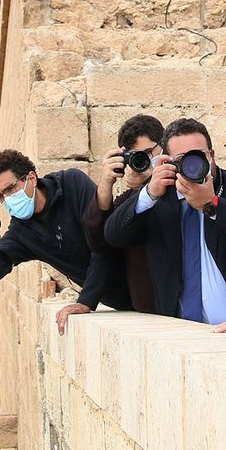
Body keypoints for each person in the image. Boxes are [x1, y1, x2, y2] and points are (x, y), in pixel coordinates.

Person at [104, 117, 226, 325]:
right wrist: (149, 193)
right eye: (182, 159)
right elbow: (113, 234)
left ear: (212, 156)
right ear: (168, 162)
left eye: (199, 156)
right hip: (182, 333)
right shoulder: (160, 198)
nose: (193, 165)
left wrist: (212, 204)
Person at [0, 149, 130, 334]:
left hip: (142, 275)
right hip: (122, 302)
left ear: (31, 178)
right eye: (0, 197)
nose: (8, 199)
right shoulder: (21, 231)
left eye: (10, 189)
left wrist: (85, 301)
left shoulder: (71, 184)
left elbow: (104, 243)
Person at [82, 113, 163, 313]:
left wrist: (149, 183)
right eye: (137, 157)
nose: (144, 160)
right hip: (149, 309)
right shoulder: (129, 199)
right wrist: (106, 183)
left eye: (148, 152)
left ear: (163, 146)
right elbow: (101, 242)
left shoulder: (183, 182)